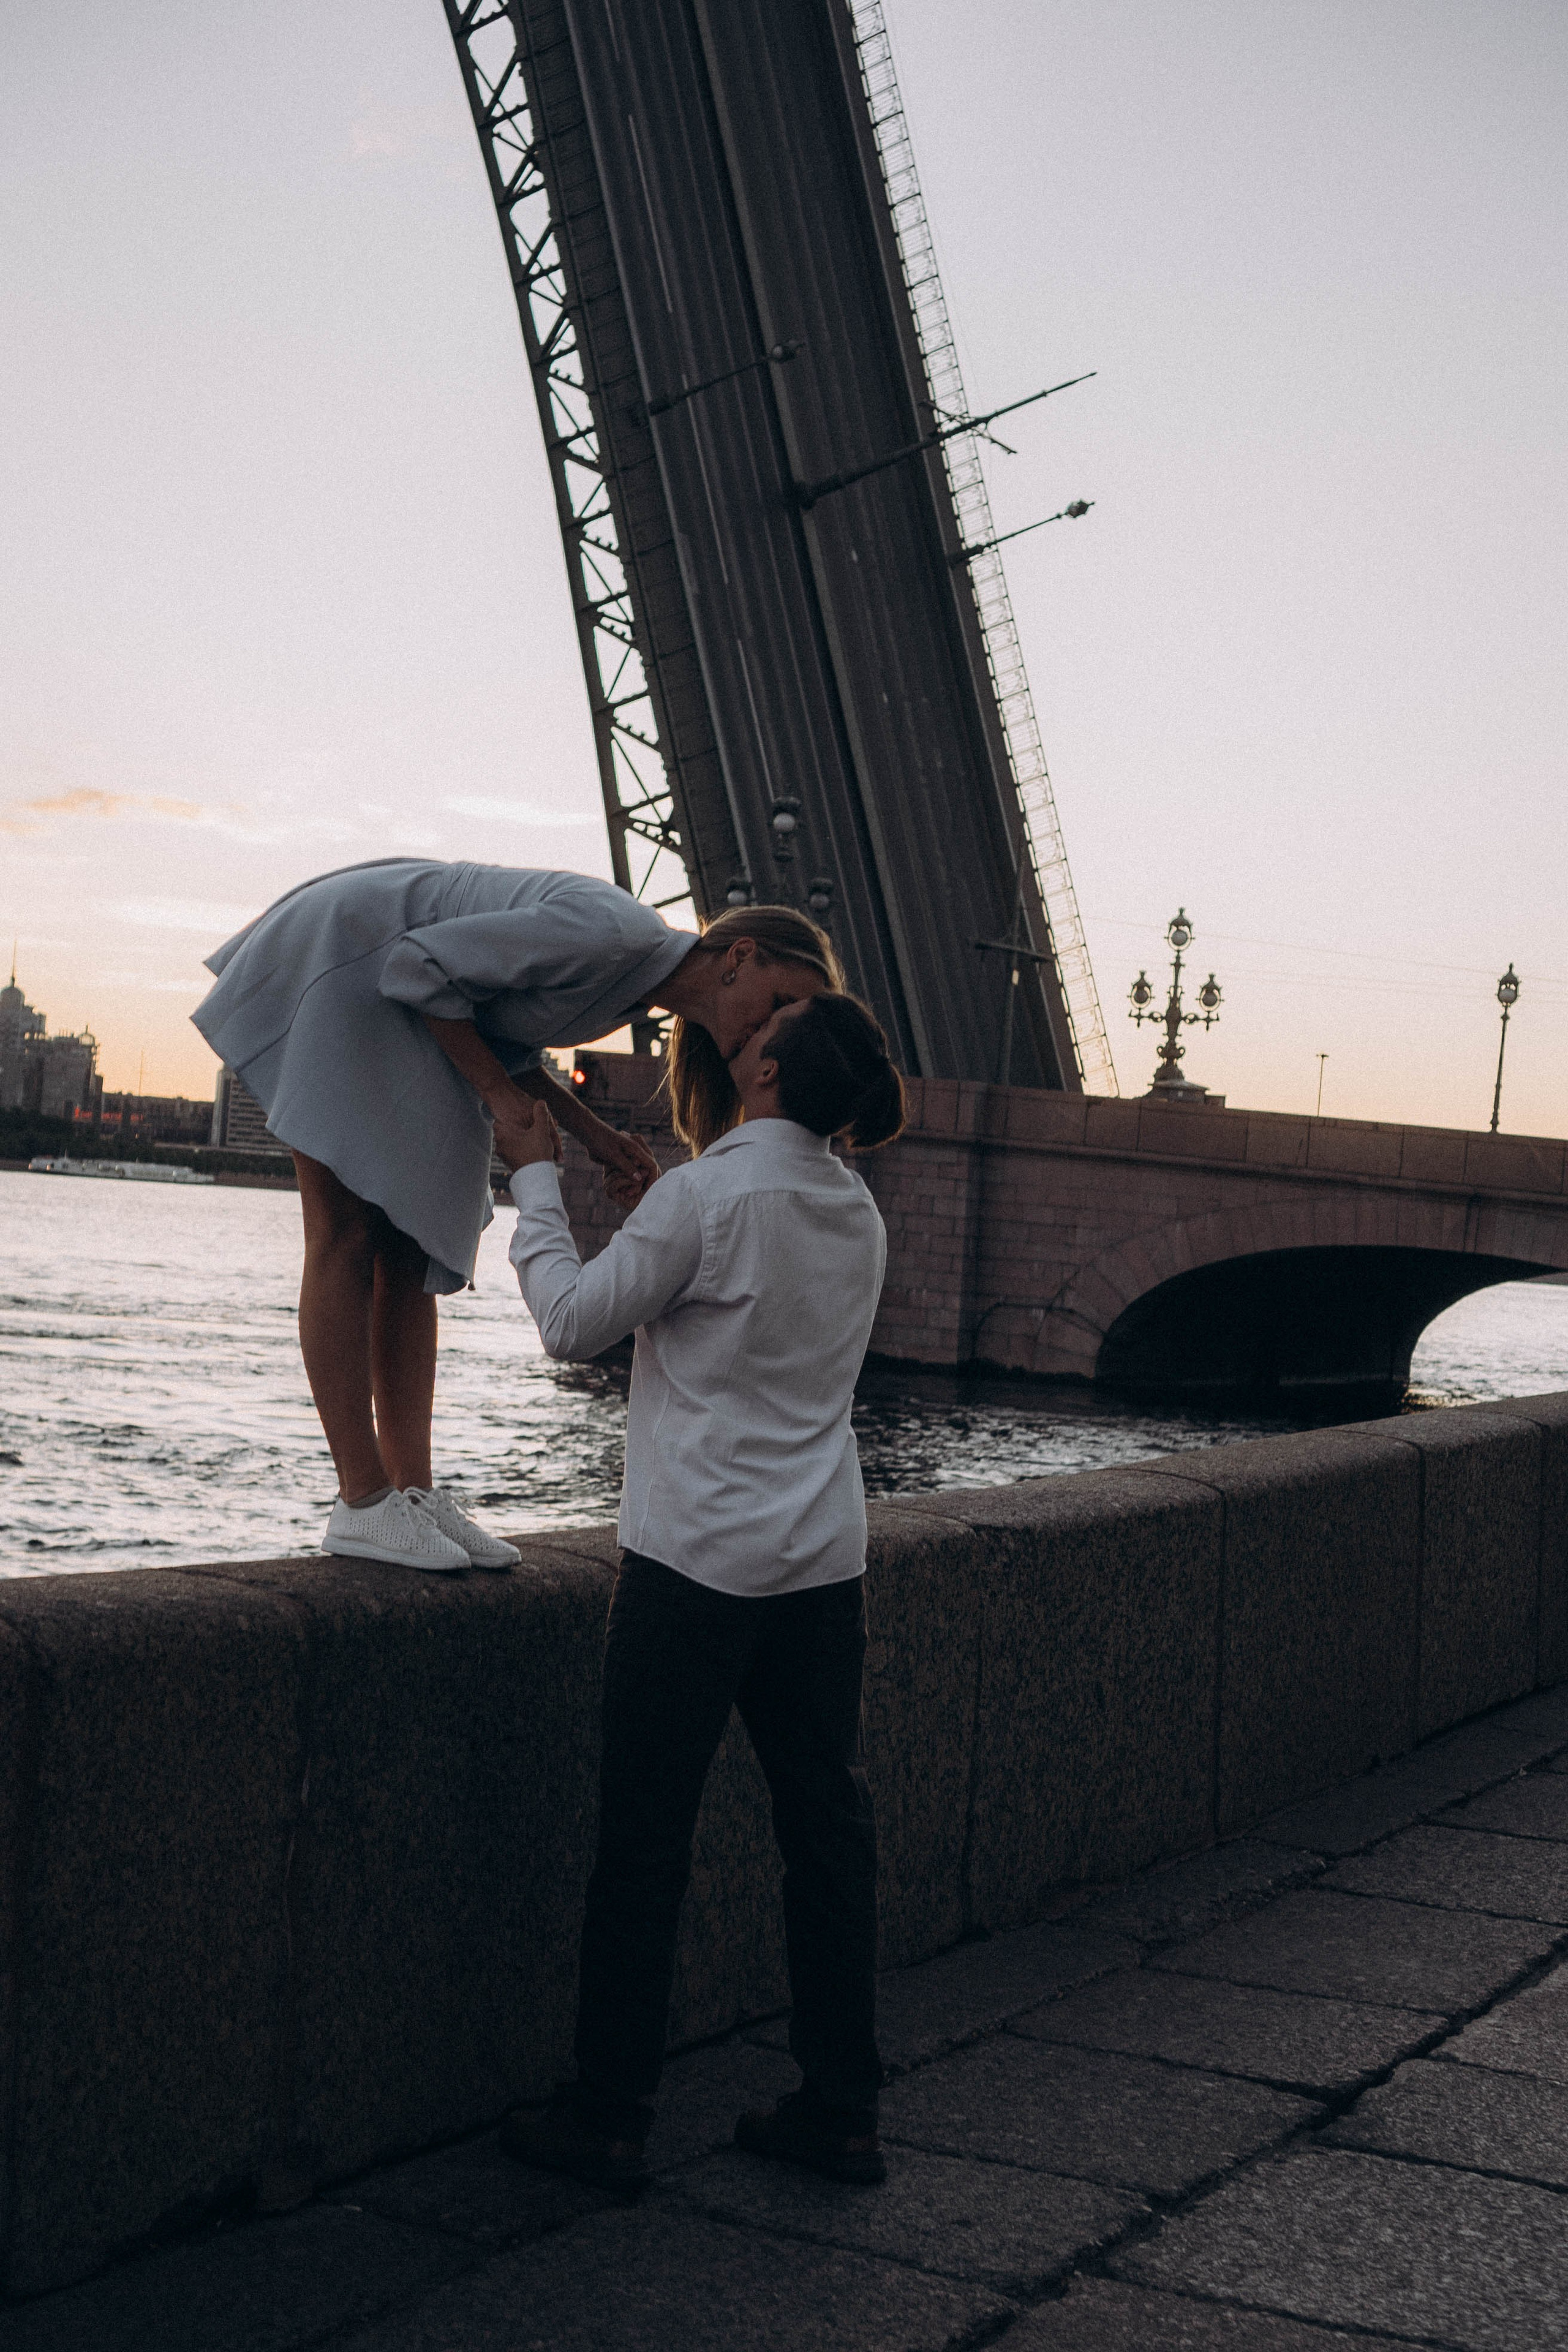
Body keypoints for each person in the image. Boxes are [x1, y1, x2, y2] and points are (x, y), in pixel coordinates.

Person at [497, 986, 906, 2196]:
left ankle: (610, 2115)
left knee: (644, 1844)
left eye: (764, 1029)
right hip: (818, 1567)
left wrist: (533, 1178)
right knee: (825, 1837)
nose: (744, 1029)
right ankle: (841, 2109)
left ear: (768, 1075)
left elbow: (571, 1321)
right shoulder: (854, 1209)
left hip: (693, 1568)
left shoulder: (707, 1196)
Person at [191, 860, 838, 1571]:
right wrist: (500, 1099)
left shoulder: (633, 985)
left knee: (408, 1248)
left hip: (394, 991)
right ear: (740, 956)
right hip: (349, 958)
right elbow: (417, 967)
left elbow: (499, 1031)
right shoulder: (613, 937)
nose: (772, 1032)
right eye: (780, 1003)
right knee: (344, 1233)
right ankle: (362, 1501)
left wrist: (592, 1135)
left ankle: (411, 1495)